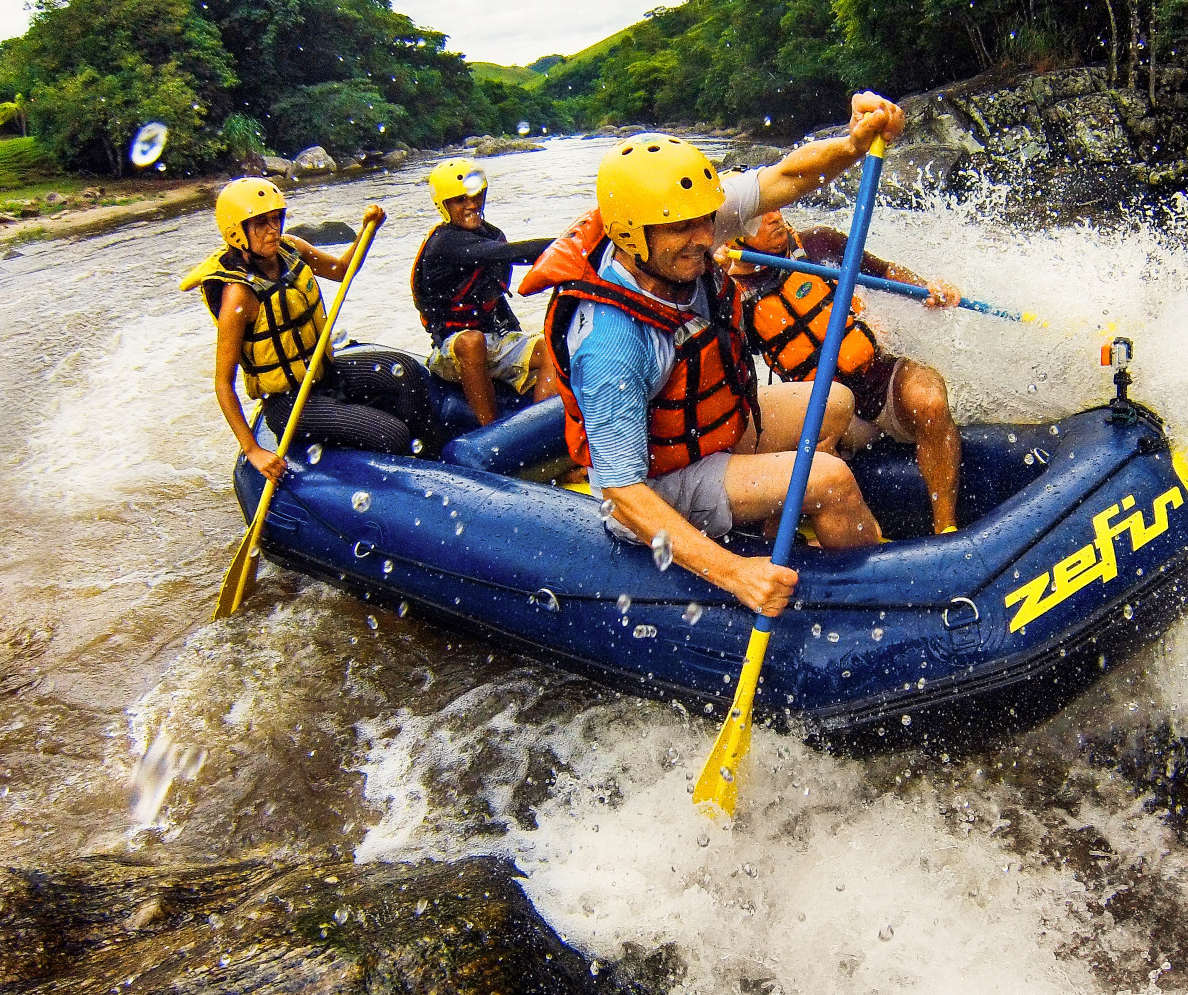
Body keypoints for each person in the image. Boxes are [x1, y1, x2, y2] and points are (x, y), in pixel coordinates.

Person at [518, 93, 904, 617]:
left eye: (707, 220)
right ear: (632, 233)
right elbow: (622, 492)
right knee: (828, 479)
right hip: (658, 481)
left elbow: (786, 178)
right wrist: (734, 573)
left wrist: (854, 145)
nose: (708, 238)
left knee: (834, 400)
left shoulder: (676, 225)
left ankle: (775, 522)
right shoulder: (612, 343)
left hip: (708, 431)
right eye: (685, 229)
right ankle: (883, 604)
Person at [181, 178, 434, 484]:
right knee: (392, 434)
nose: (273, 229)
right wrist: (253, 449)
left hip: (323, 372)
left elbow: (342, 270)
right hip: (289, 403)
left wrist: (369, 230)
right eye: (260, 223)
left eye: (275, 219)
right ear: (237, 231)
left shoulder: (292, 249)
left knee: (405, 371)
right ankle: (396, 467)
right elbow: (223, 384)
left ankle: (427, 458)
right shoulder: (239, 296)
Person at [728, 211, 965, 534]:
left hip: (881, 379)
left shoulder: (818, 243)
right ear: (730, 235)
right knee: (801, 436)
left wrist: (926, 288)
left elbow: (885, 271)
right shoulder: (729, 295)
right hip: (828, 412)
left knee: (929, 400)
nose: (774, 215)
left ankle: (946, 528)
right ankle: (806, 537)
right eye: (756, 213)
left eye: (775, 205)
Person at [411, 158, 556, 427]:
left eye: (476, 195)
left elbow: (494, 298)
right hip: (451, 349)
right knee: (472, 341)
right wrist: (570, 241)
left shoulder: (491, 233)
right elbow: (509, 254)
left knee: (549, 347)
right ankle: (490, 431)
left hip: (493, 340)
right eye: (459, 200)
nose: (471, 204)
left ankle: (538, 427)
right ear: (443, 206)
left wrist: (517, 333)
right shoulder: (444, 243)